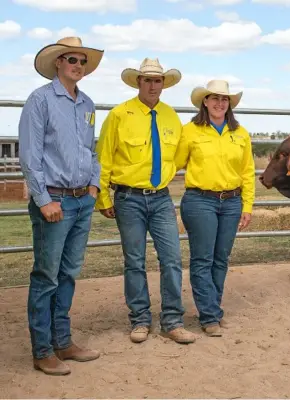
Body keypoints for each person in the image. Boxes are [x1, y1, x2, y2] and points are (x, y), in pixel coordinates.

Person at [18, 36, 104, 376]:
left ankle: (63, 342)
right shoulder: (39, 101)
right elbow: (30, 156)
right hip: (54, 201)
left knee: (67, 274)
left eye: (82, 61)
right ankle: (42, 350)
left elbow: (89, 151)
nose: (77, 65)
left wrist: (95, 184)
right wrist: (43, 199)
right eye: (71, 59)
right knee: (46, 276)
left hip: (82, 199)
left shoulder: (87, 105)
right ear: (58, 63)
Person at [95, 58, 195, 345]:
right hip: (129, 198)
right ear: (138, 82)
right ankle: (139, 319)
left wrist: (162, 176)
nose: (153, 85)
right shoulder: (119, 114)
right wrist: (103, 197)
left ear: (164, 84)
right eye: (148, 80)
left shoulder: (170, 117)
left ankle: (172, 320)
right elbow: (104, 157)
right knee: (135, 261)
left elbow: (176, 157)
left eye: (158, 80)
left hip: (161, 198)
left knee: (172, 259)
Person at [174, 79, 255, 337]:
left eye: (225, 99)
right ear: (205, 102)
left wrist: (248, 205)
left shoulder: (240, 133)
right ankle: (209, 316)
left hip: (231, 201)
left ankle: (212, 309)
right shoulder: (191, 132)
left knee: (221, 258)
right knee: (203, 259)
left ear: (229, 104)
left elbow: (248, 171)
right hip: (200, 200)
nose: (220, 103)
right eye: (215, 98)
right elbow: (174, 163)